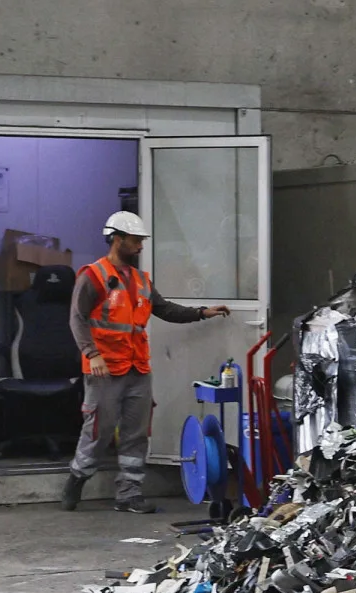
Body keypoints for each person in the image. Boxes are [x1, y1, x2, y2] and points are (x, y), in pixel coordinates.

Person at [62, 211, 230, 513]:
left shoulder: (140, 281)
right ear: (117, 239)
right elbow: (77, 318)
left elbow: (165, 309)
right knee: (99, 431)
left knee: (136, 432)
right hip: (104, 369)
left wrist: (203, 312)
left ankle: (129, 494)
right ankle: (77, 477)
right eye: (136, 240)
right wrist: (92, 353)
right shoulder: (94, 276)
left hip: (137, 368)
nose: (140, 246)